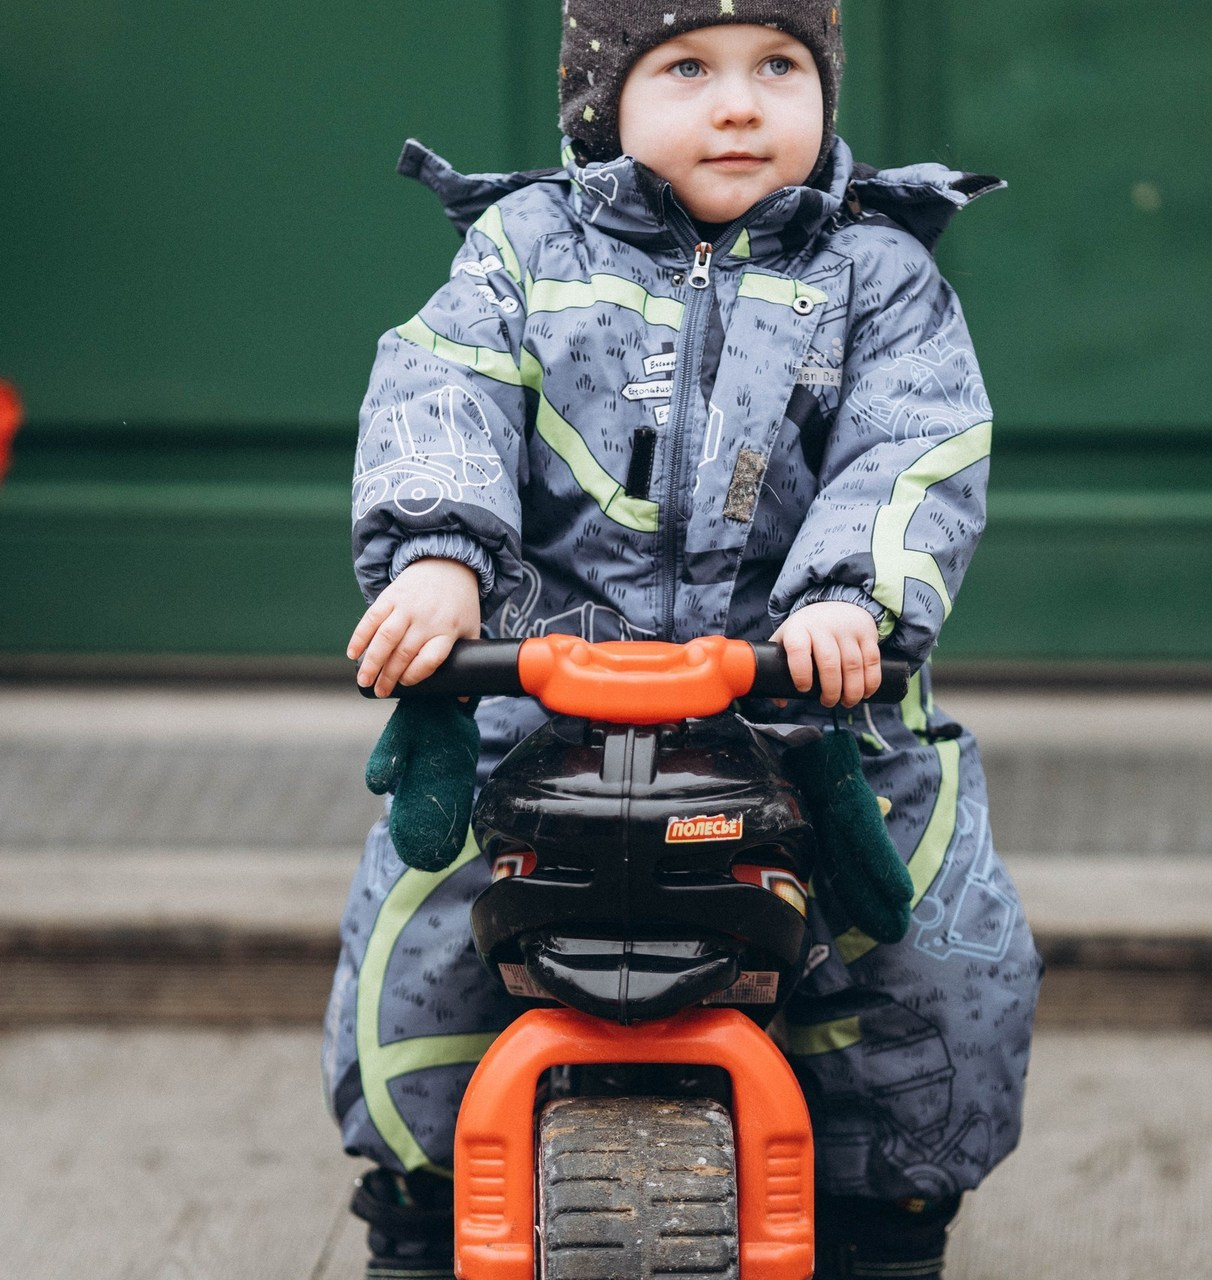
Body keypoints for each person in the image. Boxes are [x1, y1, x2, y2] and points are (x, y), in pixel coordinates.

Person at [323, 4, 1043, 1277]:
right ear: (604, 98)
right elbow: (445, 386)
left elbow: (913, 442)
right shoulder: (523, 251)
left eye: (779, 66)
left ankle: (888, 1207)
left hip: (799, 697)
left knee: (922, 934)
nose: (739, 104)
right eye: (687, 69)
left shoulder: (875, 273)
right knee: (427, 928)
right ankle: (423, 1197)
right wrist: (440, 556)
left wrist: (847, 601)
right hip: (537, 697)